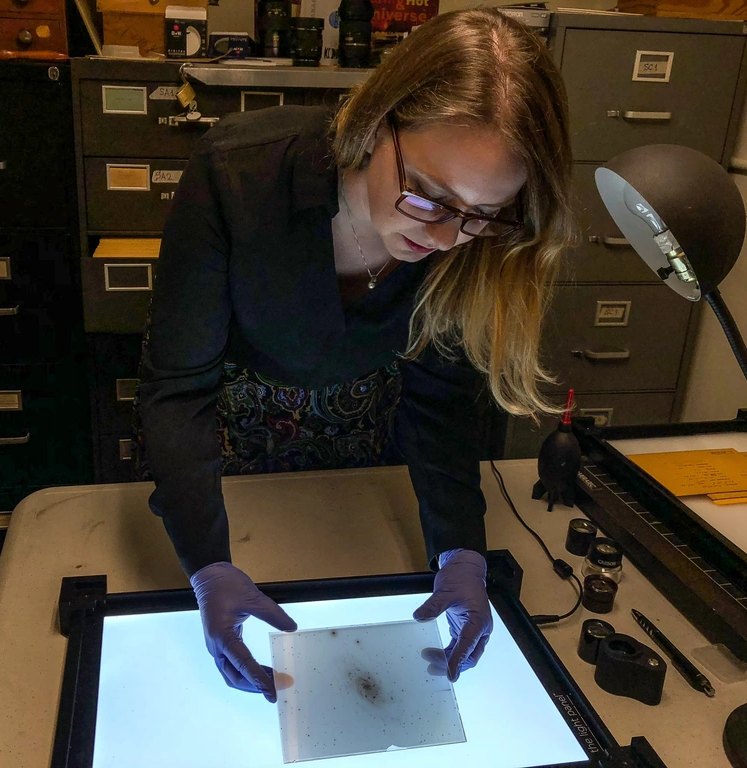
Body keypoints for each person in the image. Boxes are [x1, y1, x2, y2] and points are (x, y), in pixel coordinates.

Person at [136, 7, 575, 703]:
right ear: (376, 122)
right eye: (428, 195)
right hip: (225, 450)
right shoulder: (238, 175)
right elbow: (178, 388)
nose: (445, 238)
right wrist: (207, 567)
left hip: (372, 459)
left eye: (483, 214)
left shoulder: (468, 241)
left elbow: (439, 400)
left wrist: (462, 551)